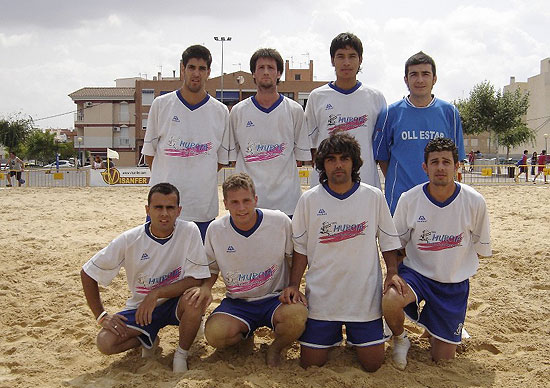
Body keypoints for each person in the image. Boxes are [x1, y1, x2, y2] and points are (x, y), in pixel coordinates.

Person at [280, 132, 402, 372]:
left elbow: (387, 241)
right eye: (331, 159)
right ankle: (331, 334)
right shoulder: (309, 199)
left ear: (354, 162)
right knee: (310, 364)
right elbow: (301, 250)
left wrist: (392, 272)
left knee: (373, 364)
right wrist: (294, 284)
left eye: (344, 158)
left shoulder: (373, 196)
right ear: (322, 164)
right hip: (323, 300)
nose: (338, 164)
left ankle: (375, 332)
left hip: (363, 299)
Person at [382, 137, 492, 370]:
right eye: (434, 162)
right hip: (417, 276)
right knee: (390, 299)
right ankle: (401, 339)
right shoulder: (409, 199)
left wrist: (450, 266)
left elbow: (481, 249)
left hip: (453, 284)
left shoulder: (474, 201)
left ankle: (437, 325)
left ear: (457, 166)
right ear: (425, 167)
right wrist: (394, 273)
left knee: (443, 359)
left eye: (446, 162)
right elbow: (395, 244)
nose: (440, 167)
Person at [80, 183, 211, 373]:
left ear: (179, 211)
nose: (164, 213)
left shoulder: (189, 230)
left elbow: (196, 279)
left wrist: (156, 294)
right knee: (105, 343)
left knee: (195, 299)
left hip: (176, 303)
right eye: (158, 207)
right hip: (141, 309)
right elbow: (87, 272)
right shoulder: (130, 239)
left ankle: (181, 354)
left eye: (170, 208)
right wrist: (101, 316)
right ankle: (148, 338)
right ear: (147, 210)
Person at [195, 173, 308, 366]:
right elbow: (212, 268)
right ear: (226, 203)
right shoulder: (215, 230)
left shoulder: (279, 222)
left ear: (255, 199)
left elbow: (295, 255)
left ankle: (275, 348)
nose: (241, 208)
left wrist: (293, 285)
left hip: (275, 298)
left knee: (298, 316)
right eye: (235, 202)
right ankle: (244, 336)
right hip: (239, 303)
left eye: (246, 200)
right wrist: (206, 287)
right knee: (214, 335)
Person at [142, 44, 230, 241]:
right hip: (163, 208)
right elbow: (150, 155)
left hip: (202, 208)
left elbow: (221, 160)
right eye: (191, 67)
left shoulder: (221, 111)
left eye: (201, 68)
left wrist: (197, 171)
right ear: (182, 68)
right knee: (159, 267)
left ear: (208, 72)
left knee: (199, 268)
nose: (196, 73)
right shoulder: (161, 105)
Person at [373, 51, 465, 214]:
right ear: (406, 79)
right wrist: (399, 181)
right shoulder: (390, 113)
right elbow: (382, 157)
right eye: (414, 74)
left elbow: (456, 159)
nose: (420, 80)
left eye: (425, 74)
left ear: (434, 79)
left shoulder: (449, 112)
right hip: (400, 199)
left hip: (439, 200)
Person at [229, 48, 310, 217]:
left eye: (271, 68)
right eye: (261, 68)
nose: (266, 72)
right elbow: (234, 154)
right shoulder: (238, 112)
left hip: (287, 204)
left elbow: (300, 158)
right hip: (249, 206)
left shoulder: (295, 111)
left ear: (279, 73)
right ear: (253, 73)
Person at [305, 32, 386, 189]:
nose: (346, 62)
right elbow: (311, 145)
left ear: (360, 59)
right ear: (332, 60)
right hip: (325, 184)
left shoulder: (376, 97)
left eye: (352, 56)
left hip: (366, 182)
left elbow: (381, 147)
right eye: (341, 56)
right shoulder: (317, 96)